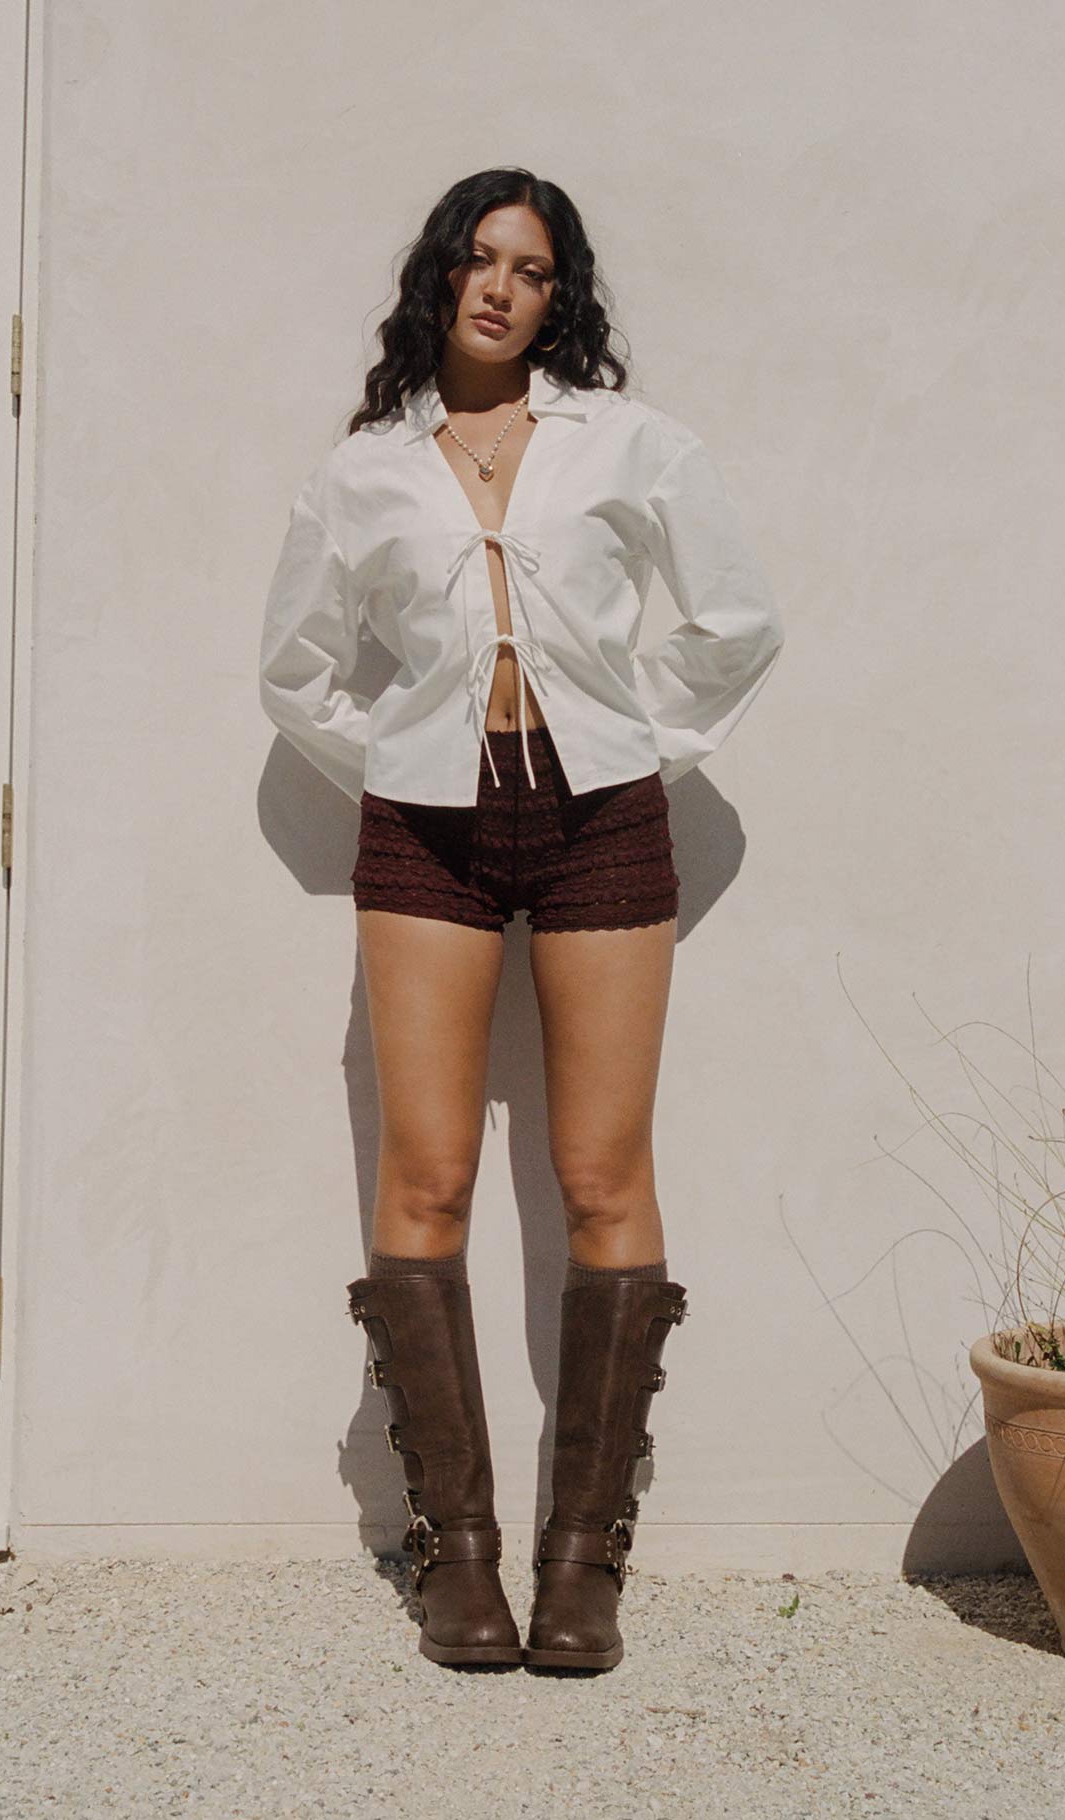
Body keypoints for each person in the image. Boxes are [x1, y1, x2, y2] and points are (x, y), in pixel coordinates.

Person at [259, 167, 785, 1672]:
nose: (501, 287)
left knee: (602, 1170)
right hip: (424, 829)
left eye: (533, 268)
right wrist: (407, 754)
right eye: (479, 260)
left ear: (563, 296)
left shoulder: (631, 444)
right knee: (424, 1175)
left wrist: (639, 737)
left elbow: (739, 620)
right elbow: (296, 672)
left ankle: (583, 1562)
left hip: (600, 821)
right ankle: (458, 1555)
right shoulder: (361, 471)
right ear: (439, 277)